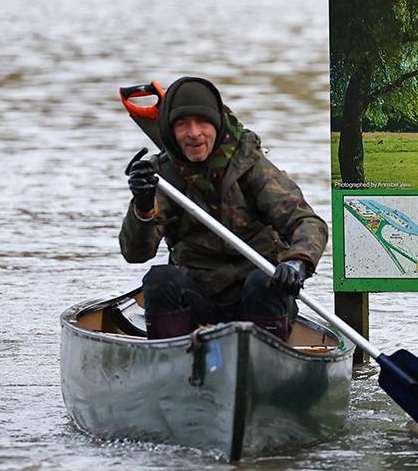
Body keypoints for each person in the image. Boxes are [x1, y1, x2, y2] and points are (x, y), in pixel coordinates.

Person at [119, 76, 328, 341]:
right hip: (196, 299)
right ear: (170, 131)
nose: (193, 133)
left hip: (255, 298)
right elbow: (135, 253)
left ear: (217, 124)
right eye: (182, 124)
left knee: (264, 281)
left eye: (202, 122)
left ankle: (268, 358)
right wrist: (143, 205)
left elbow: (307, 222)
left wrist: (297, 263)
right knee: (159, 280)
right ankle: (171, 359)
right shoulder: (162, 176)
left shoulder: (250, 166)